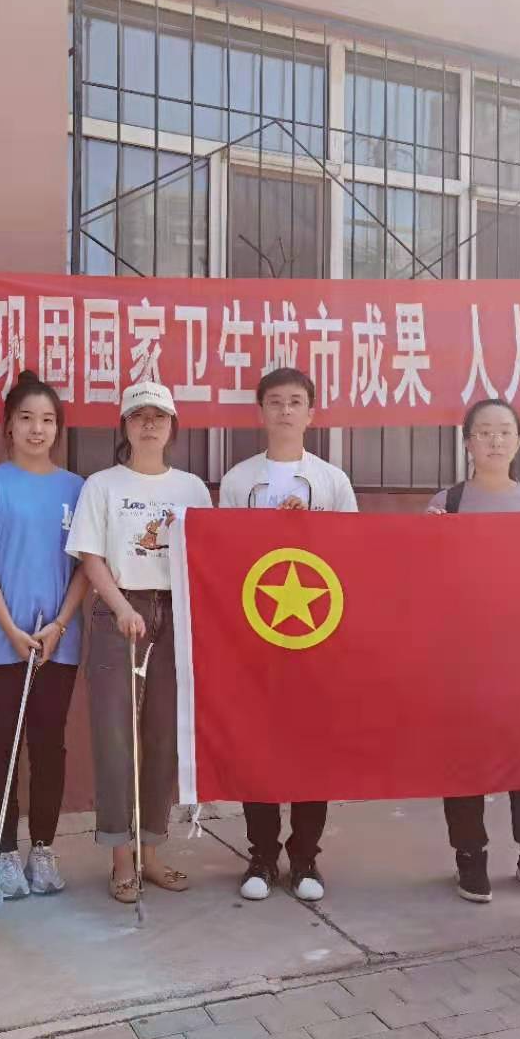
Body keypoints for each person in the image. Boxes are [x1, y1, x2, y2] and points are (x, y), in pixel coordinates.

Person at [67, 380, 212, 903]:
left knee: (163, 737)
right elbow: (90, 556)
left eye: (159, 416)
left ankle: (152, 852)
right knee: (115, 737)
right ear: (125, 425)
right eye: (138, 416)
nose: (149, 424)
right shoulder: (102, 485)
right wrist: (123, 607)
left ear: (173, 426)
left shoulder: (192, 489)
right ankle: (120, 858)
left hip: (177, 615)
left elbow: (208, 557)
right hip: (119, 611)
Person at [219, 366, 358, 903]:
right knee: (257, 744)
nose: (285, 410)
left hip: (316, 636)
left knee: (310, 746)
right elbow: (223, 555)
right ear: (261, 411)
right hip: (254, 636)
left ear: (311, 413)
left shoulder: (332, 481)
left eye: (295, 401)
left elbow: (352, 554)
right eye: (275, 401)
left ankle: (305, 857)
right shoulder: (239, 480)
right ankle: (261, 853)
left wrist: (310, 526)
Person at [424, 397, 520, 905]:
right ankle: (470, 855)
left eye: (504, 431)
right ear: (468, 442)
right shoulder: (447, 502)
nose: (494, 440)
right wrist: (429, 542)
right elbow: (420, 580)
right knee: (463, 757)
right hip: (461, 657)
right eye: (483, 431)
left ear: (519, 442)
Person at [0, 370, 89, 899]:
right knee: (2, 743)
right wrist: (9, 628)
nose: (37, 429)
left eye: (48, 420)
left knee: (50, 745)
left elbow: (86, 566)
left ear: (58, 428)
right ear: (9, 426)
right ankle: (4, 854)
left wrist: (59, 624)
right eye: (27, 418)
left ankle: (44, 850)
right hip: (0, 641)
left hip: (58, 642)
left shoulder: (75, 489)